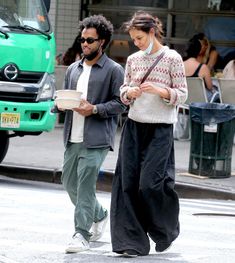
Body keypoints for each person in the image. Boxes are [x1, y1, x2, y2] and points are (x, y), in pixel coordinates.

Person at [110, 11, 188, 257]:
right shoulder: (133, 59)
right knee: (128, 184)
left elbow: (183, 94)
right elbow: (123, 89)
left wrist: (161, 90)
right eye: (134, 39)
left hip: (161, 128)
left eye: (140, 38)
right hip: (134, 126)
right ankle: (131, 242)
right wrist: (128, 93)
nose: (137, 43)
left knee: (150, 185)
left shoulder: (172, 58)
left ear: (152, 32)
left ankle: (165, 230)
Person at [56, 14, 126, 253]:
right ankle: (99, 214)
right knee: (68, 182)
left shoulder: (114, 70)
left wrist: (94, 109)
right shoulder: (73, 69)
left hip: (96, 138)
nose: (84, 43)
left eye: (90, 40)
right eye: (82, 39)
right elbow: (67, 98)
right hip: (72, 136)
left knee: (85, 184)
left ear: (102, 42)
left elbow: (121, 103)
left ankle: (81, 234)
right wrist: (58, 104)